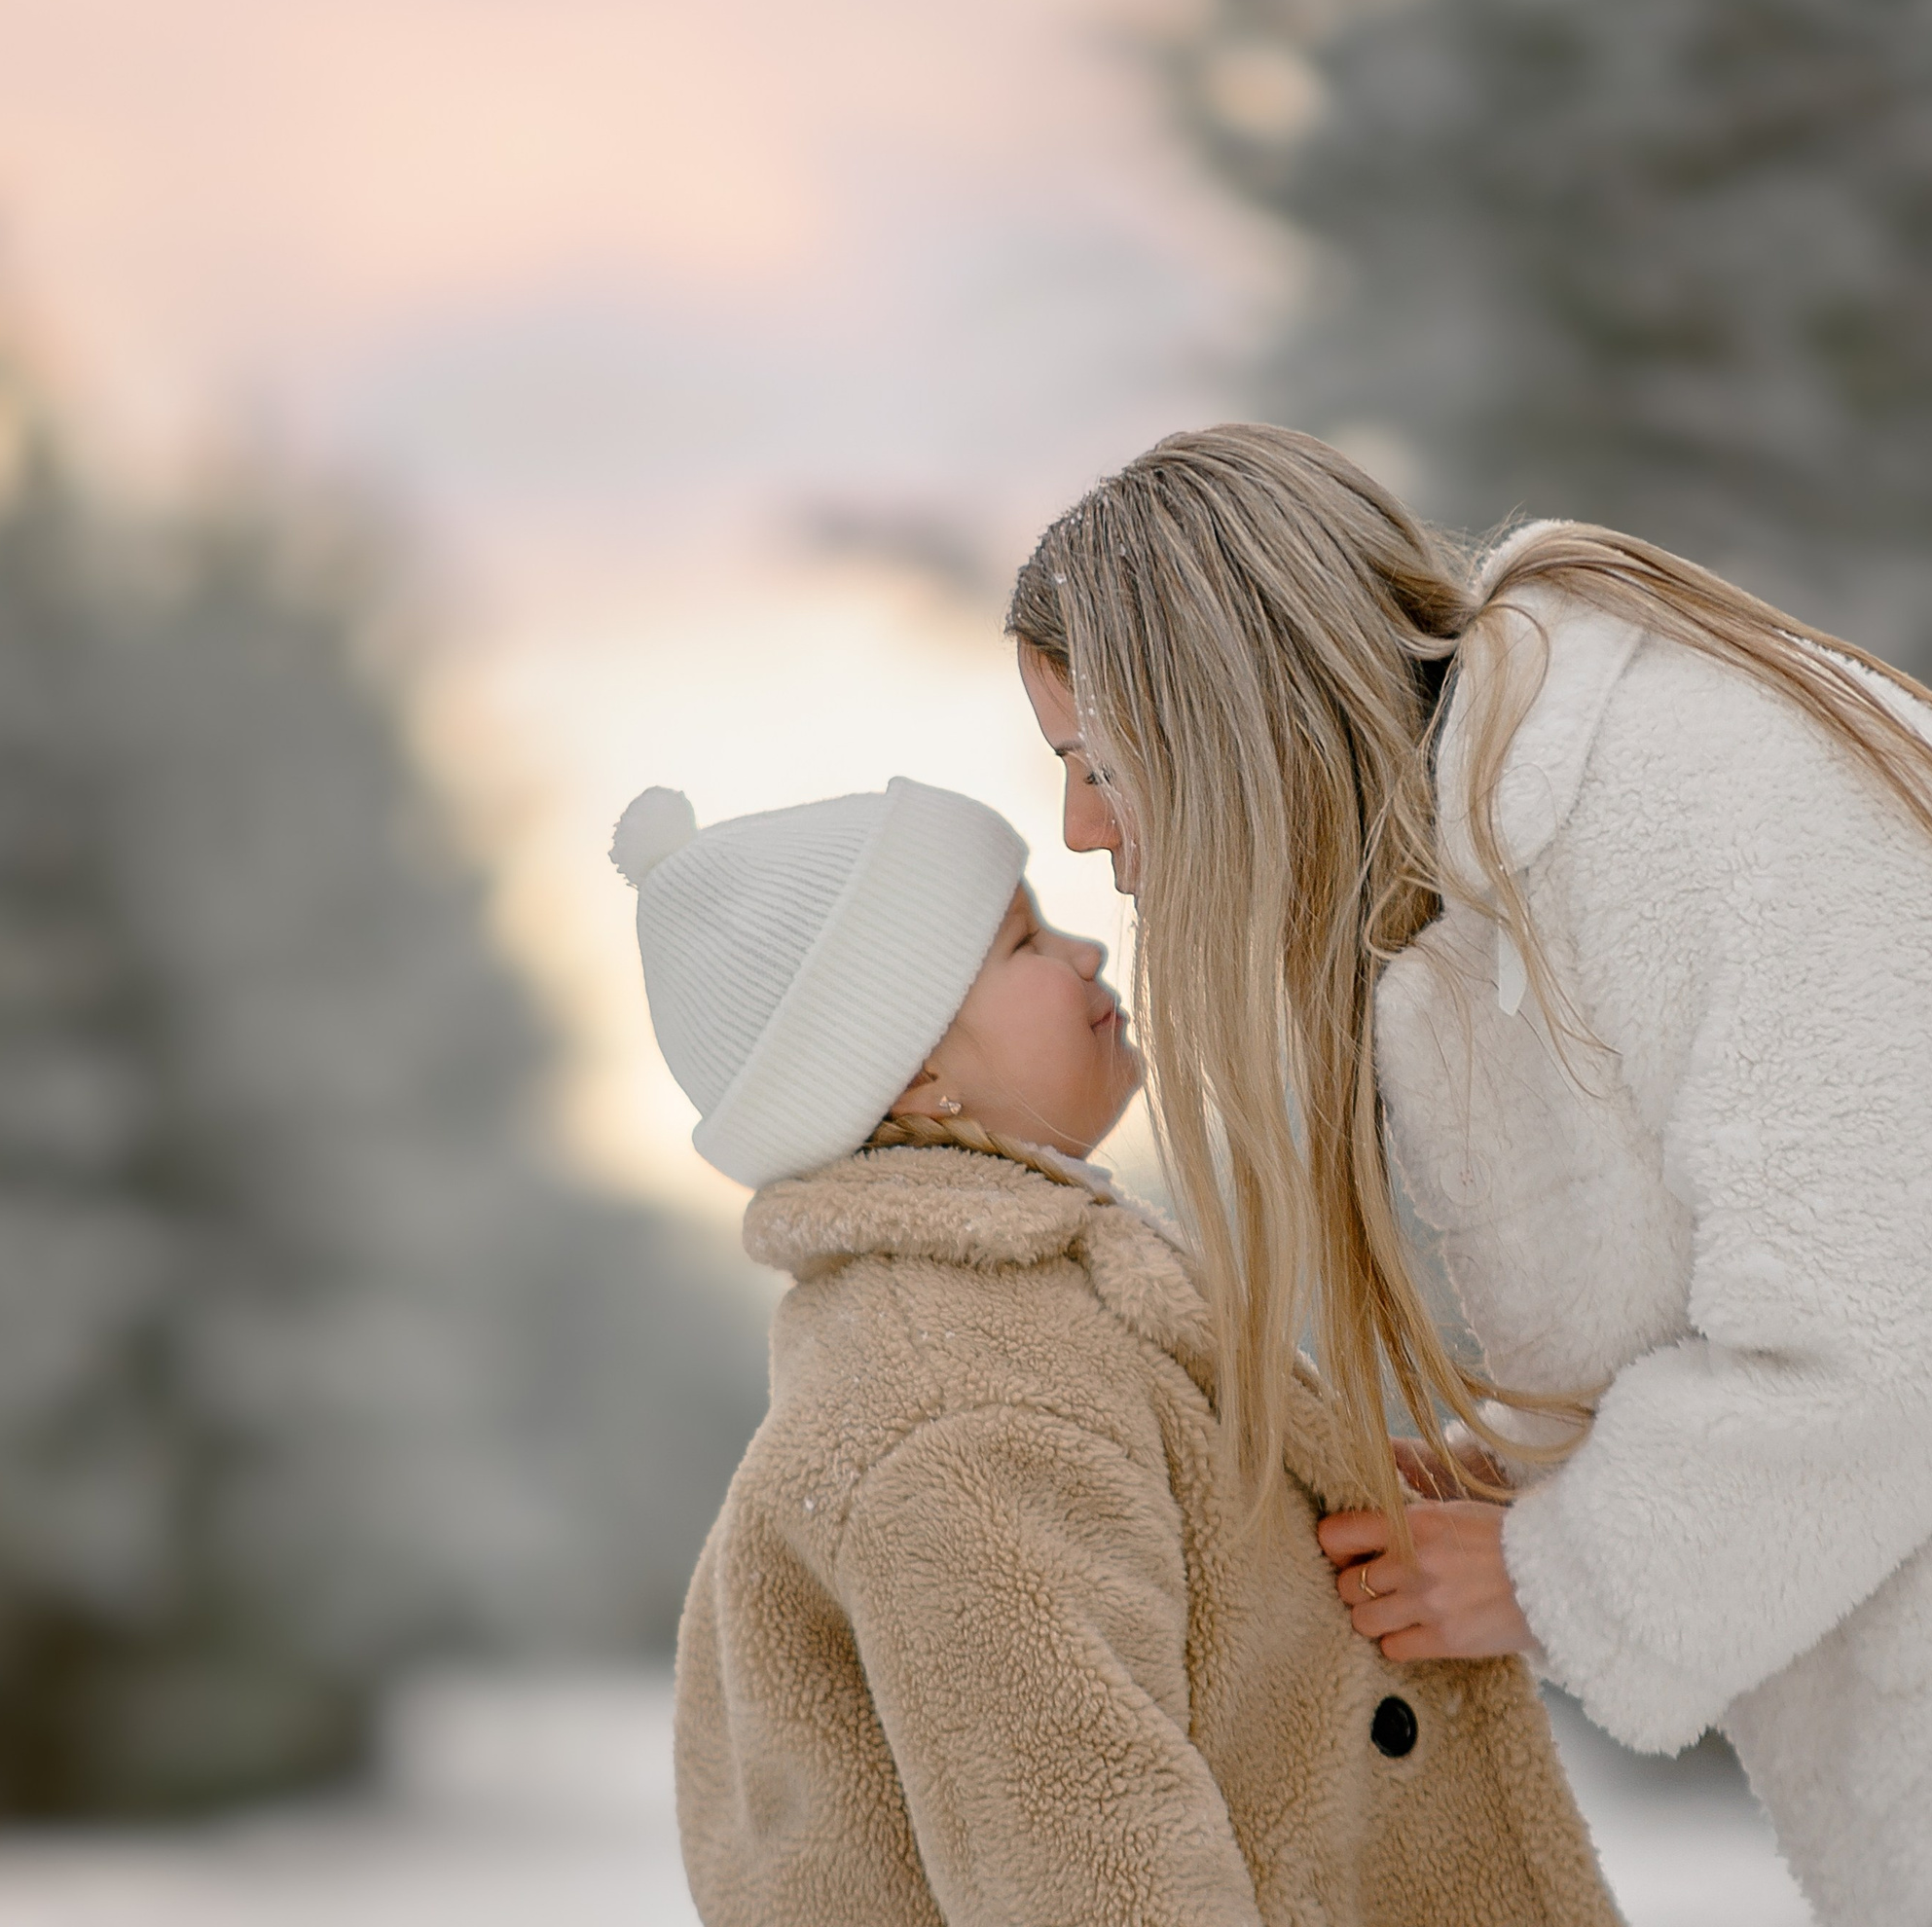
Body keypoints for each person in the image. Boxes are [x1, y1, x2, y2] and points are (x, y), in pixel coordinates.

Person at [1006, 421, 1932, 1927]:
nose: (1082, 829)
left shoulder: (1684, 796)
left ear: (1218, 711)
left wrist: (1561, 1576)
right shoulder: (1487, 900)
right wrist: (1517, 1465)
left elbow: (1892, 1330)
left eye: (1094, 762)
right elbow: (1749, 1277)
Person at [612, 771, 1622, 1927]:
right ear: (912, 1071)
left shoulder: (1035, 1311)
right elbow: (1087, 1857)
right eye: (1022, 939)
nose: (1084, 949)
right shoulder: (962, 1400)